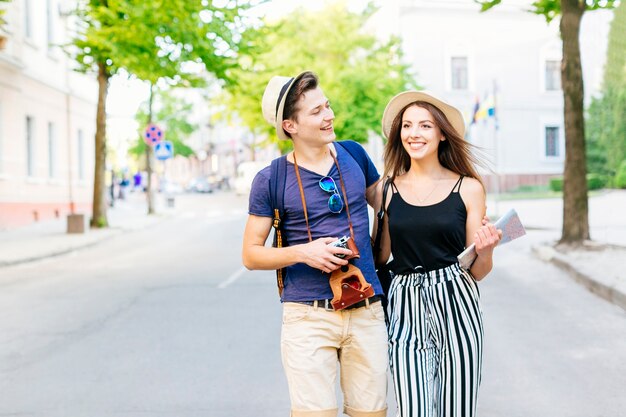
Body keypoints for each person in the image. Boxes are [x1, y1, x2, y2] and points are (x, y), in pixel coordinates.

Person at [242, 71, 388, 417]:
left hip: (366, 309)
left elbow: (390, 205)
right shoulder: (271, 179)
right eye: (316, 111)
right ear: (290, 125)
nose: (329, 115)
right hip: (307, 316)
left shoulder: (354, 155)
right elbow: (250, 254)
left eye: (328, 106)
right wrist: (303, 253)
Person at [373, 91, 501, 417]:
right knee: (414, 408)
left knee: (456, 409)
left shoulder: (469, 188)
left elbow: (478, 270)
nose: (414, 133)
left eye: (425, 125)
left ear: (442, 133)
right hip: (405, 304)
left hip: (456, 301)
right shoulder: (386, 189)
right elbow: (380, 256)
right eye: (407, 126)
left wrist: (485, 250)